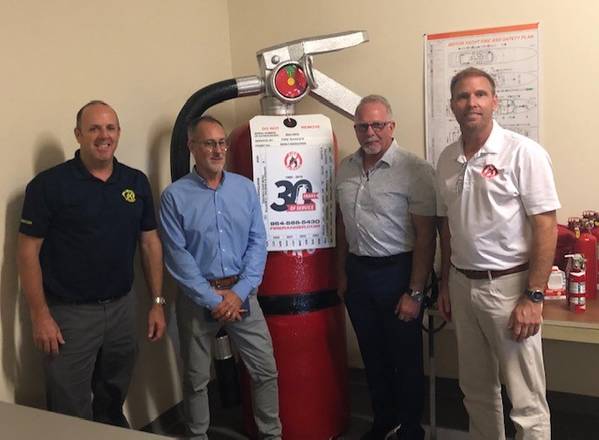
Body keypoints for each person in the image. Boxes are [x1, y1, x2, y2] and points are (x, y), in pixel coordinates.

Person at [17, 100, 166, 426]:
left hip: (123, 309)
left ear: (118, 133)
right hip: (70, 316)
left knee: (113, 396)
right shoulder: (48, 186)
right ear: (78, 134)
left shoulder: (135, 182)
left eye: (110, 128)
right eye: (94, 128)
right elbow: (27, 253)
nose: (103, 135)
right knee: (69, 408)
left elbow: (149, 242)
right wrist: (39, 314)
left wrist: (156, 302)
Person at [436, 67, 559, 439]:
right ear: (452, 106)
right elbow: (447, 227)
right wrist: (444, 284)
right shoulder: (446, 158)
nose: (471, 103)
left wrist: (533, 295)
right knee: (475, 391)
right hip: (462, 284)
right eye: (462, 96)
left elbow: (546, 225)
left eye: (480, 95)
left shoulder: (523, 153)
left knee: (525, 399)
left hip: (508, 289)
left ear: (495, 102)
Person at [159, 115, 281, 440]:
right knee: (196, 379)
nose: (217, 149)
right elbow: (178, 256)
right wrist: (214, 300)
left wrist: (239, 293)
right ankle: (198, 436)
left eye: (221, 142)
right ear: (192, 147)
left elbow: (258, 242)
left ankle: (271, 435)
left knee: (265, 371)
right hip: (199, 299)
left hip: (242, 295)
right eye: (209, 143)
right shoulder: (174, 197)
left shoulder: (244, 189)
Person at [336, 95, 436, 440]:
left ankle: (410, 429)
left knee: (405, 358)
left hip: (399, 272)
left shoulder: (416, 170)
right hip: (358, 273)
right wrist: (341, 273)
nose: (370, 132)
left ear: (391, 127)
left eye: (378, 124)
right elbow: (342, 225)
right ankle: (384, 422)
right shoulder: (345, 168)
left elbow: (426, 236)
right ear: (355, 129)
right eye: (363, 126)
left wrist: (415, 291)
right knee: (372, 354)